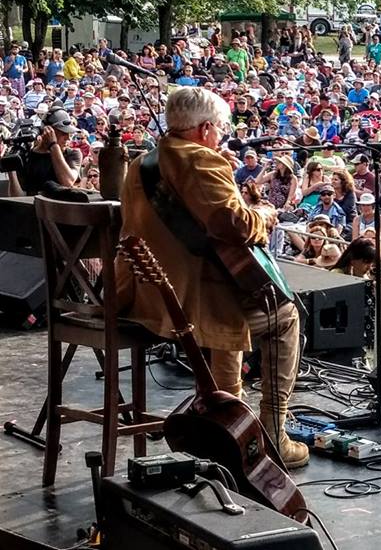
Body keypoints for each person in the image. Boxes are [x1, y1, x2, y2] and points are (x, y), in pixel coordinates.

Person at [115, 87, 309, 468]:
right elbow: (234, 225)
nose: (221, 135)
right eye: (219, 128)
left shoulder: (141, 162)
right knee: (284, 315)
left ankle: (228, 417)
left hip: (140, 295)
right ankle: (272, 433)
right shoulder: (201, 162)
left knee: (231, 301)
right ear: (204, 129)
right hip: (185, 302)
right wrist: (266, 215)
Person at [5, 108, 82, 196]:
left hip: (61, 207)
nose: (68, 138)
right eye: (63, 133)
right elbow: (17, 197)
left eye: (69, 134)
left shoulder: (72, 154)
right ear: (48, 130)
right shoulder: (27, 157)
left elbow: (67, 182)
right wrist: (11, 171)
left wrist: (53, 145)